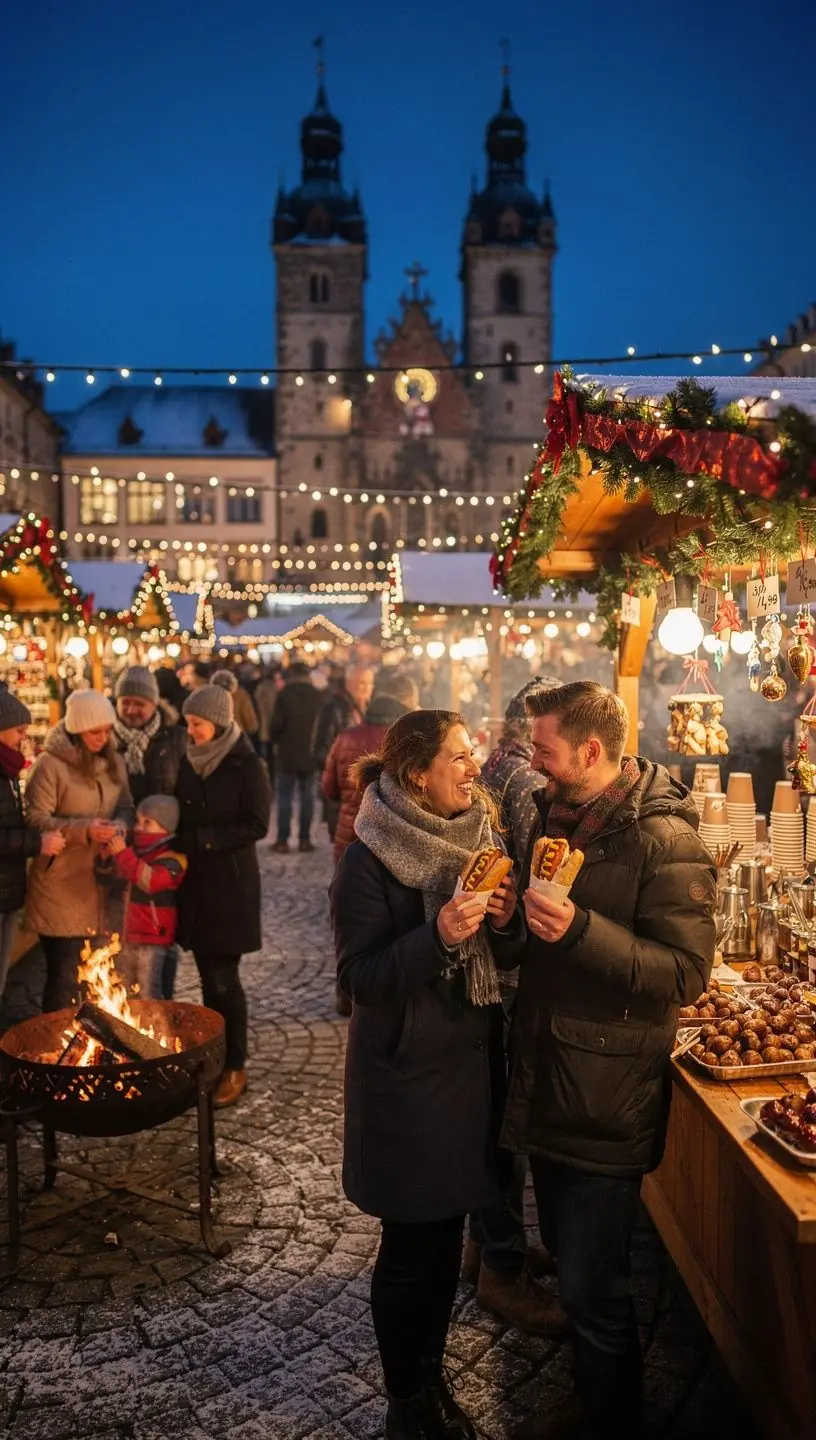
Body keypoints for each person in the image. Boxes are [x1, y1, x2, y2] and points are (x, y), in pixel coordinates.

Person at [331, 709, 555, 1440]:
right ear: (414, 775)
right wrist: (438, 937)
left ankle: (428, 1379)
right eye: (457, 757)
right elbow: (360, 980)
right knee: (412, 1252)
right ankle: (409, 1400)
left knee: (443, 1239)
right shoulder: (369, 858)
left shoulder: (480, 838)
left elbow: (511, 954)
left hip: (470, 1076)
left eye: (471, 753)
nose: (473, 766)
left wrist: (501, 920)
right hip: (407, 1084)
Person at [504, 681, 716, 1440]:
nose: (534, 761)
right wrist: (510, 921)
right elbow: (534, 944)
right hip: (552, 1077)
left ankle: (612, 1420)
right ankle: (593, 1402)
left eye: (546, 749)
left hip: (607, 1091)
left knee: (597, 1287)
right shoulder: (545, 814)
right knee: (569, 1262)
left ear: (592, 752)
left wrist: (579, 927)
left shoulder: (663, 838)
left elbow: (685, 975)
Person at [464, 676, 563, 1331]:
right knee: (506, 1124)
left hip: (486, 968)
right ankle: (500, 1266)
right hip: (507, 972)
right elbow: (534, 878)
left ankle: (486, 1248)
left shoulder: (499, 767)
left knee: (496, 1117)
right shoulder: (528, 784)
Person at [175, 684, 272, 1108]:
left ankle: (235, 1065)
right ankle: (213, 1057)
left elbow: (257, 824)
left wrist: (202, 840)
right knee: (206, 978)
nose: (190, 730)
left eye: (196, 723)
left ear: (216, 722)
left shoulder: (247, 764)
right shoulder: (188, 759)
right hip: (196, 885)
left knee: (224, 980)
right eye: (188, 723)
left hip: (230, 887)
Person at [25, 690, 134, 1012]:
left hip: (102, 883)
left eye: (107, 730)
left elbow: (126, 806)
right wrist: (84, 830)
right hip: (60, 885)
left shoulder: (115, 763)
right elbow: (34, 819)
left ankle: (89, 1048)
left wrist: (119, 828)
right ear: (76, 730)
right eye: (94, 731)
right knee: (64, 977)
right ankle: (56, 1049)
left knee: (98, 975)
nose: (103, 738)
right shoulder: (50, 765)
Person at [112, 665, 187, 1000]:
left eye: (138, 702)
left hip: (165, 842)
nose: (131, 709)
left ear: (154, 703)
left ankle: (162, 1006)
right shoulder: (108, 739)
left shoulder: (174, 736)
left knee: (164, 940)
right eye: (125, 702)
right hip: (122, 843)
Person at [0, 693, 65, 999]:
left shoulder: (9, 769)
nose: (24, 737)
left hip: (9, 891)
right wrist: (38, 842)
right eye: (19, 731)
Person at [321, 674, 419, 866]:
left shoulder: (346, 736)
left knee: (346, 888)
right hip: (393, 835)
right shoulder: (406, 739)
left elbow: (329, 789)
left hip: (350, 830)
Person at [100, 795, 187, 1000]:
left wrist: (122, 854)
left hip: (154, 937)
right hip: (129, 934)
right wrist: (104, 861)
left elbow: (150, 881)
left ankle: (157, 1029)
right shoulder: (135, 852)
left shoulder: (173, 858)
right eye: (138, 821)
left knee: (149, 992)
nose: (139, 827)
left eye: (148, 823)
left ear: (166, 827)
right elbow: (114, 878)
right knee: (127, 990)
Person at [312, 663, 375, 839]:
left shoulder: (366, 709)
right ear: (348, 683)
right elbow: (319, 750)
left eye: (369, 683)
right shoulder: (334, 708)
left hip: (360, 791)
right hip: (343, 792)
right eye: (360, 683)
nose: (365, 688)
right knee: (343, 841)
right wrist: (342, 774)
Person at [269, 662, 324, 854]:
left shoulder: (284, 695)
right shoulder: (317, 696)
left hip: (287, 753)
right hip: (310, 754)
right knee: (307, 798)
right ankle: (304, 839)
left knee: (284, 798)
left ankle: (282, 840)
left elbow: (275, 725)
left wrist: (275, 739)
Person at [254, 665, 285, 794]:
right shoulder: (274, 689)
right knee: (271, 757)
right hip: (271, 726)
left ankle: (266, 781)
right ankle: (270, 781)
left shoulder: (260, 688)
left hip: (262, 726)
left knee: (265, 755)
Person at [211, 669, 259, 739]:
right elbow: (250, 720)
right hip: (236, 737)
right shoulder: (240, 695)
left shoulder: (210, 696)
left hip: (215, 739)